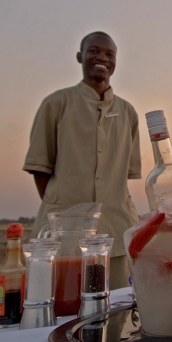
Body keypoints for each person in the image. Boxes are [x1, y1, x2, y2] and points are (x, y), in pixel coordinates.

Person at [23, 31, 140, 289]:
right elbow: (40, 169)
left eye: (109, 54)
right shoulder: (56, 104)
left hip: (116, 231)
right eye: (94, 51)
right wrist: (66, 209)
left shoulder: (128, 112)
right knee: (62, 310)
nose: (102, 58)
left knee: (116, 311)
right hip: (63, 233)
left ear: (116, 62)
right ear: (80, 56)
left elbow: (124, 176)